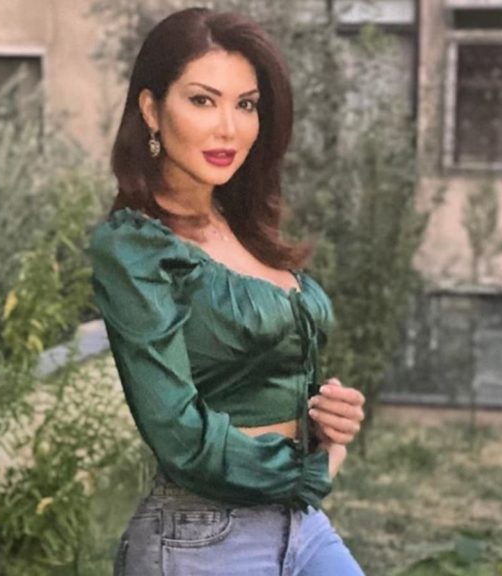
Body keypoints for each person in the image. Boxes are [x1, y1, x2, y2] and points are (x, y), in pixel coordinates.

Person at [89, 7, 367, 575]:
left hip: (301, 526)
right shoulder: (135, 247)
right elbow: (180, 436)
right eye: (203, 100)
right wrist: (311, 470)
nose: (229, 128)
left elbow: (254, 374)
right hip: (202, 540)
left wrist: (325, 418)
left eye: (245, 105)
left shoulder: (241, 225)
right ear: (151, 110)